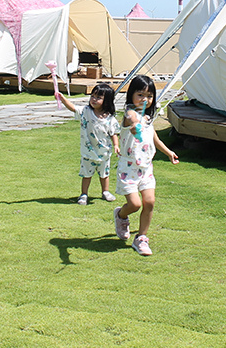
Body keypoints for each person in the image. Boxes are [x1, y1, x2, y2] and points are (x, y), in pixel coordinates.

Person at [113, 74, 178, 256]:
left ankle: (141, 238)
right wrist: (135, 127)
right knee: (134, 204)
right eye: (140, 95)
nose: (145, 99)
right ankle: (121, 215)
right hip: (128, 169)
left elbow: (154, 137)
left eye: (149, 96)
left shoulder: (148, 118)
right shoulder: (130, 113)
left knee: (149, 202)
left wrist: (168, 152)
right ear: (132, 95)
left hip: (146, 168)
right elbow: (132, 120)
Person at [58, 83, 121, 205]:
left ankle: (105, 192)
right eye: (92, 96)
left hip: (104, 152)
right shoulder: (86, 111)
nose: (94, 99)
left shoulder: (110, 118)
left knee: (104, 174)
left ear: (106, 101)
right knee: (86, 174)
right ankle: (84, 194)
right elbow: (73, 108)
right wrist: (63, 99)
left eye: (98, 97)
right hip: (88, 152)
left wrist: (116, 145)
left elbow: (114, 133)